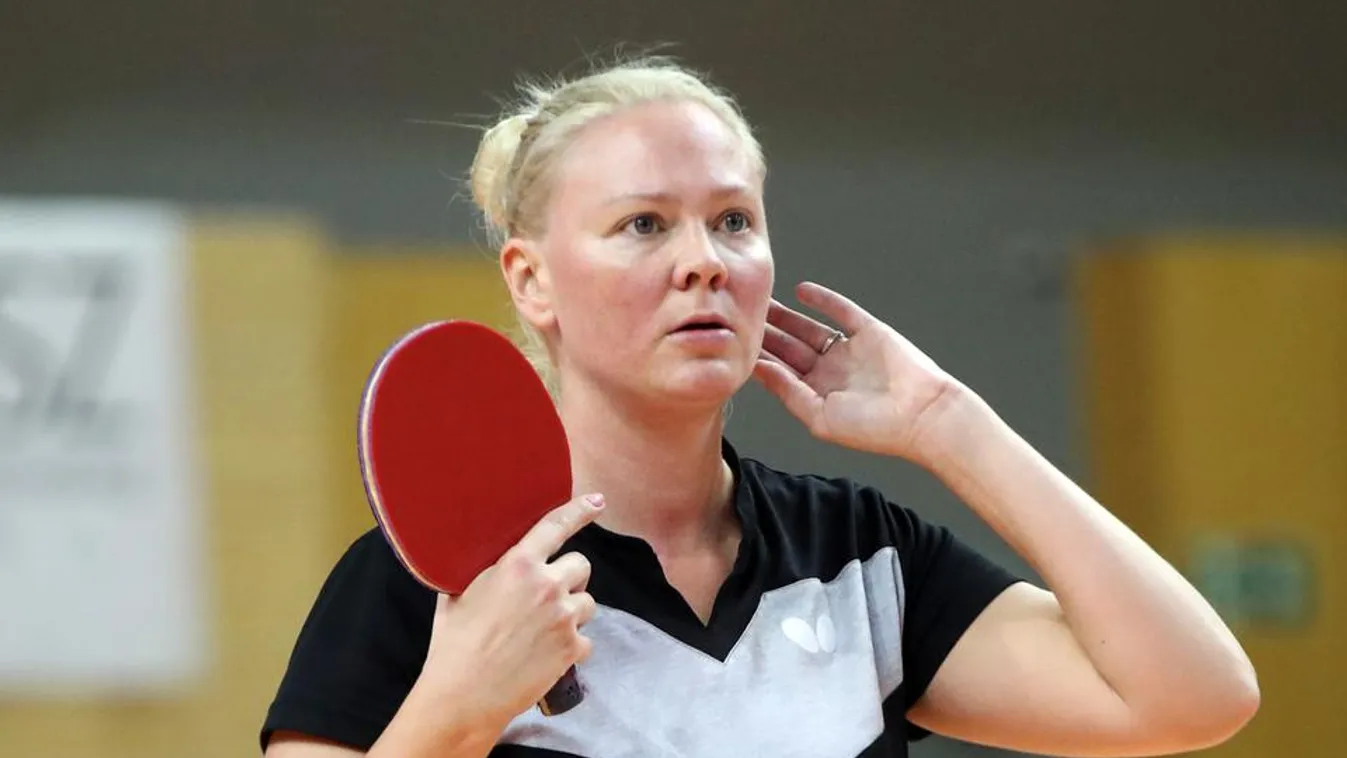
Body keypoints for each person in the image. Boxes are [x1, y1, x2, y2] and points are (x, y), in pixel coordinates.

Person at [259, 54, 1259, 758]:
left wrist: (950, 425)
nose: (703, 260)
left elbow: (1194, 698)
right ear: (532, 279)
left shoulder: (860, 557)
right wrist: (458, 711)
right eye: (643, 224)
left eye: (733, 220)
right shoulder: (435, 586)